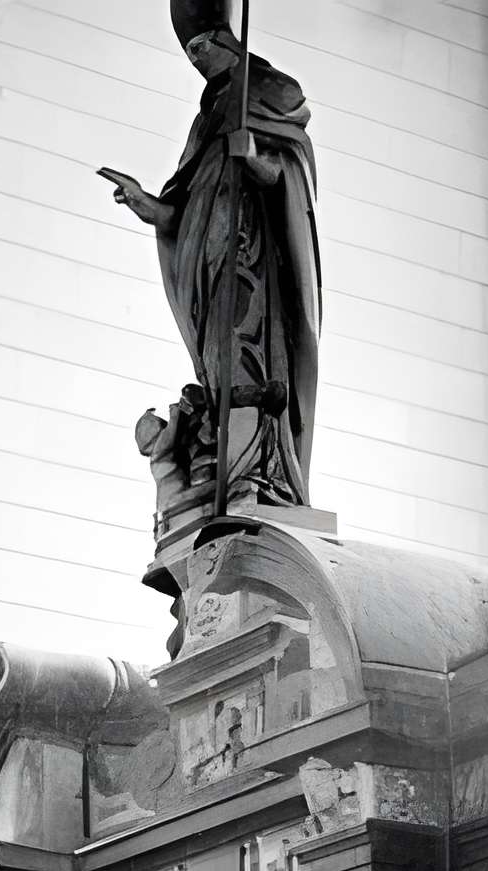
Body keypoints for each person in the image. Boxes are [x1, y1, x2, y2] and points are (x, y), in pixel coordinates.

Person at [98, 0, 322, 510]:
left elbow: (289, 179)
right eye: (190, 51)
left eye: (201, 47)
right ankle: (219, 462)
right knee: (218, 366)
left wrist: (254, 159)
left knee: (250, 361)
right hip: (208, 267)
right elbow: (183, 210)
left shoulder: (269, 94)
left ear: (227, 41)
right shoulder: (209, 117)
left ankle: (260, 469)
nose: (196, 59)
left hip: (254, 265)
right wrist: (148, 206)